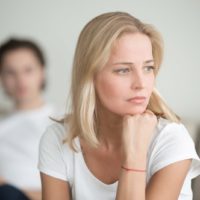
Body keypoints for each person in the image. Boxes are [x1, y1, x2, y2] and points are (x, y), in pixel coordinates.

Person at [38, 11, 200, 200]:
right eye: (123, 70)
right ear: (90, 77)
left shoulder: (171, 139)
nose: (141, 83)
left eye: (148, 67)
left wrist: (135, 154)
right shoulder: (58, 139)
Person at [0, 38, 55, 200]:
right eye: (11, 72)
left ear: (42, 72)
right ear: (1, 77)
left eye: (28, 70)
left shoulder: (66, 121)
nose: (20, 81)